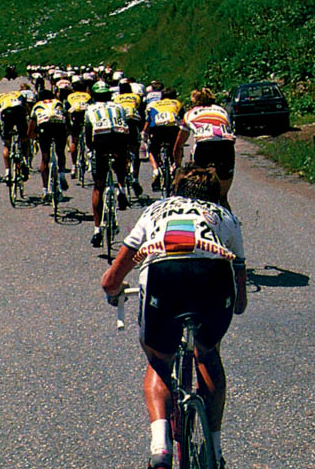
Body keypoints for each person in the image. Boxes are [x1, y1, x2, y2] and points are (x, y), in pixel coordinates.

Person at [101, 164, 247, 469]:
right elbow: (240, 300)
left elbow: (112, 278)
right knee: (208, 354)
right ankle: (216, 451)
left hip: (164, 275)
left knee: (159, 359)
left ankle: (160, 447)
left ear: (175, 192)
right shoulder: (225, 216)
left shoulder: (155, 211)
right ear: (214, 195)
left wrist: (114, 290)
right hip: (213, 277)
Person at [85, 80, 130, 248]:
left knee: (98, 187)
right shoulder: (119, 107)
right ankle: (121, 189)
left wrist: (91, 150)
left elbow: (88, 135)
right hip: (119, 138)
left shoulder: (90, 109)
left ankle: (97, 230)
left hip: (101, 141)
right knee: (120, 162)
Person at [173, 88, 236, 205]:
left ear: (194, 101)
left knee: (199, 192)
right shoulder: (222, 111)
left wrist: (177, 166)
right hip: (226, 145)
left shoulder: (189, 114)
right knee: (222, 197)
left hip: (204, 145)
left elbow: (178, 145)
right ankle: (227, 217)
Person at [29, 89, 69, 201]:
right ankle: (61, 175)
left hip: (44, 127)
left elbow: (31, 124)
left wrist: (32, 136)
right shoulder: (58, 102)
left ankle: (45, 190)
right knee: (60, 152)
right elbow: (66, 117)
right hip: (59, 126)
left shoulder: (37, 105)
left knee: (45, 159)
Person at [142, 88, 183, 191]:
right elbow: (183, 119)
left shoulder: (154, 105)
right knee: (176, 147)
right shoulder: (177, 103)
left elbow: (148, 122)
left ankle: (155, 170)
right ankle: (175, 167)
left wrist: (144, 134)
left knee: (152, 150)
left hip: (157, 129)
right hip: (172, 128)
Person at [114, 80, 145, 198]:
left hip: (121, 124)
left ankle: (121, 181)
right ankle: (136, 179)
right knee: (135, 152)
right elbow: (141, 111)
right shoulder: (136, 97)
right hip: (133, 122)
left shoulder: (117, 99)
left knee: (120, 153)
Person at [0, 89, 29, 181]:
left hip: (6, 114)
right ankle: (25, 160)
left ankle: (7, 171)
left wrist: (0, 130)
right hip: (19, 112)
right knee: (24, 139)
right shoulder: (18, 94)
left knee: (7, 145)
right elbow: (27, 108)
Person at [66, 79, 92, 178]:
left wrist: (68, 125)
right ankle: (90, 157)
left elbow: (67, 110)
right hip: (85, 115)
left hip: (75, 116)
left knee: (74, 141)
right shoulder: (87, 96)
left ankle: (73, 165)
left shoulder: (70, 96)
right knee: (89, 137)